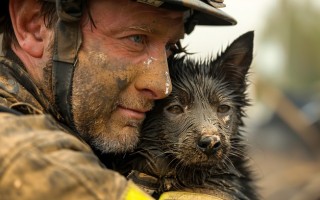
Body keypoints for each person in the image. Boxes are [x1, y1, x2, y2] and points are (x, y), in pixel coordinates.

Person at [0, 0, 236, 199]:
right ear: (32, 26)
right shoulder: (20, 156)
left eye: (170, 47)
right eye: (136, 39)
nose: (162, 85)